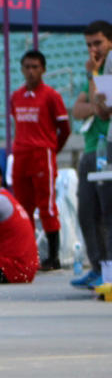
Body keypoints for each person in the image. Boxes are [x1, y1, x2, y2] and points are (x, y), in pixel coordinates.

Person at [9, 49, 69, 271]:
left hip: (42, 155)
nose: (31, 71)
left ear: (43, 69)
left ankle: (53, 257)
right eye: (27, 67)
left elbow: (65, 128)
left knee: (47, 206)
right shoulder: (16, 96)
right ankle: (28, 257)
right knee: (23, 208)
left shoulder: (51, 96)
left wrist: (52, 149)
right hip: (21, 155)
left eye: (35, 67)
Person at [71, 19, 112, 288]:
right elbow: (77, 110)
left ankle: (107, 269)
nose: (93, 50)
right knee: (86, 211)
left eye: (98, 43)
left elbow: (101, 110)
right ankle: (97, 266)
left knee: (106, 211)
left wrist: (94, 79)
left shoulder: (103, 71)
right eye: (88, 45)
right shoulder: (92, 72)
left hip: (106, 146)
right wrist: (92, 97)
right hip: (90, 147)